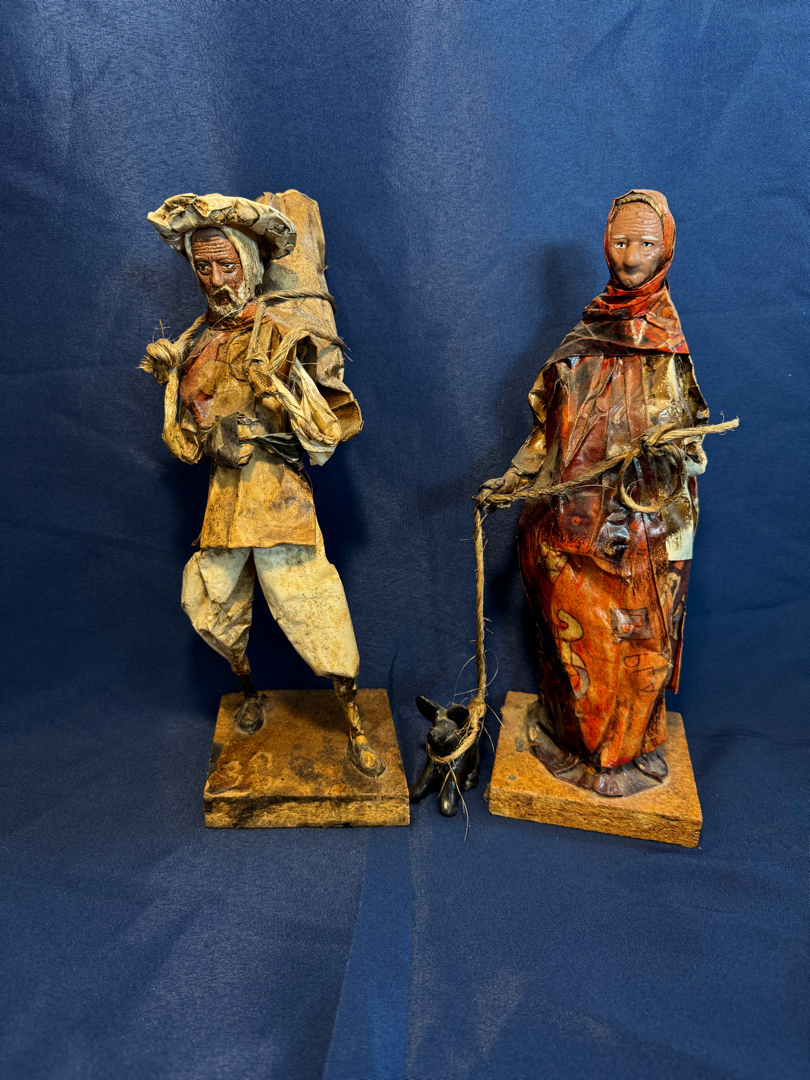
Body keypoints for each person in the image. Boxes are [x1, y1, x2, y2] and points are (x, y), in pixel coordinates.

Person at [141, 192, 384, 778]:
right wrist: (182, 399)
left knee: (313, 611)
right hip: (225, 510)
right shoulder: (195, 345)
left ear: (249, 264)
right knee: (211, 607)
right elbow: (187, 445)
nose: (216, 280)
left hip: (279, 507)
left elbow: (324, 437)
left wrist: (277, 401)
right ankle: (249, 693)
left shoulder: (280, 337)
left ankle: (354, 724)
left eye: (226, 265)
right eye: (203, 267)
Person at [479, 190, 709, 797]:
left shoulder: (668, 344)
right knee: (576, 643)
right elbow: (546, 428)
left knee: (638, 643)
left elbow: (688, 439)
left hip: (641, 533)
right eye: (621, 241)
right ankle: (576, 744)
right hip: (568, 525)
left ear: (667, 248)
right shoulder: (585, 334)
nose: (631, 257)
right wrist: (517, 478)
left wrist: (669, 448)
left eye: (646, 244)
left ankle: (628, 751)